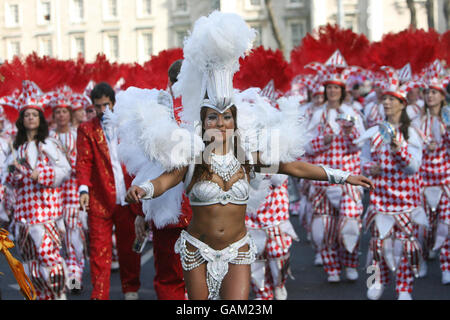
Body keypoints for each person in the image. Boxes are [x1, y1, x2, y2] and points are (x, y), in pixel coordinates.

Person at [122, 11, 373, 300]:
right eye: (212, 119)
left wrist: (344, 177)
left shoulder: (247, 157)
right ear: (203, 124)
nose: (220, 124)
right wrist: (144, 190)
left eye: (226, 118)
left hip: (238, 249)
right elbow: (165, 181)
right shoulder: (191, 157)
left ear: (234, 122)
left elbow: (296, 169)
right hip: (197, 250)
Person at [360, 67, 426, 300]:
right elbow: (363, 163)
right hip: (380, 201)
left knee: (405, 248)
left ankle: (404, 289)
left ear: (401, 103)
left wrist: (399, 149)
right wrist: (371, 169)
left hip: (406, 202)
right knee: (376, 246)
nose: (386, 103)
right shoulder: (374, 133)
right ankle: (375, 282)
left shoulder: (411, 134)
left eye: (391, 99)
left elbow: (413, 167)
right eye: (384, 98)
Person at [4, 80, 71, 300]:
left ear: (40, 118)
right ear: (21, 120)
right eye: (26, 115)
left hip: (46, 215)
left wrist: (39, 175)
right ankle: (41, 296)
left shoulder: (49, 144)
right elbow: (6, 179)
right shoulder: (16, 147)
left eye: (34, 114)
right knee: (30, 263)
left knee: (50, 260)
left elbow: (64, 170)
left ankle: (59, 293)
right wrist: (13, 174)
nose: (30, 118)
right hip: (23, 217)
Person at [304, 50, 367, 283]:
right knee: (324, 226)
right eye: (329, 87)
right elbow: (307, 146)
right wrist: (323, 141)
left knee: (350, 224)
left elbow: (359, 145)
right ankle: (332, 268)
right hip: (323, 177)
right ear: (324, 90)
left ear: (342, 91)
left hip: (348, 178)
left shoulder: (352, 113)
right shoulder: (316, 114)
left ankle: (350, 263)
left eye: (336, 88)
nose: (332, 91)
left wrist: (350, 134)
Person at [76, 82, 142, 300]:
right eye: (98, 106)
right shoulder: (86, 129)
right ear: (92, 107)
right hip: (100, 200)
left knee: (129, 250)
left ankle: (131, 290)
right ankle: (99, 295)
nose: (103, 110)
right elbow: (84, 162)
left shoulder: (129, 126)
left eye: (106, 105)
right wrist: (83, 189)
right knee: (99, 252)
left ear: (113, 103)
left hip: (128, 198)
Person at [134, 59, 193, 300]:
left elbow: (141, 164)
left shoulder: (155, 111)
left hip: (165, 206)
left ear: (168, 82)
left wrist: (140, 211)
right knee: (208, 276)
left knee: (170, 279)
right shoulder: (211, 111)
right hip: (204, 208)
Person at [412, 63, 449, 284]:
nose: (430, 96)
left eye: (434, 92)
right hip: (423, 182)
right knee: (422, 228)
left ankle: (446, 265)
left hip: (445, 180)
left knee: (446, 226)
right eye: (427, 92)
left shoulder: (448, 118)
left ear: (442, 95)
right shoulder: (418, 121)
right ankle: (422, 259)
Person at [48, 92, 87, 294]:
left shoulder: (77, 134)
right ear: (53, 115)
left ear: (70, 114)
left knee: (74, 238)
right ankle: (60, 277)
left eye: (64, 111)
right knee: (56, 238)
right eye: (58, 112)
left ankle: (74, 279)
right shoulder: (47, 138)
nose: (61, 115)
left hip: (72, 193)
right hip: (53, 195)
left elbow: (82, 164)